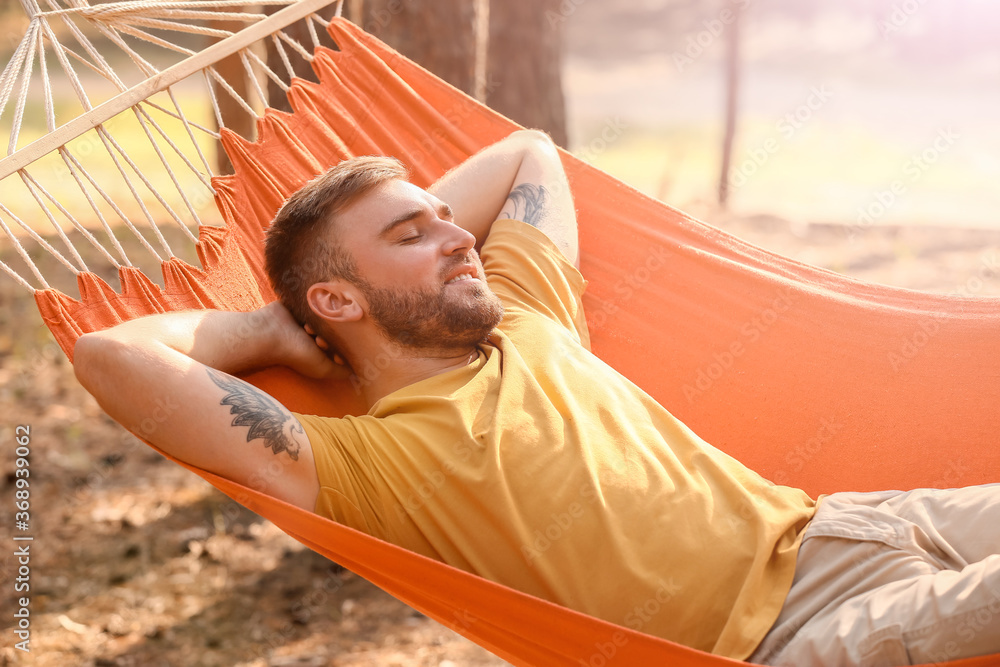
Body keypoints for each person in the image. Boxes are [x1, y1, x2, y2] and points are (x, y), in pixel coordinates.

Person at [73, 129, 1000, 666]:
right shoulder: (368, 465)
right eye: (413, 232)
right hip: (788, 642)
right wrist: (275, 328)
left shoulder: (527, 313)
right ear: (338, 300)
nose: (456, 235)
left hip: (844, 526)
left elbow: (528, 152)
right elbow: (110, 354)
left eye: (447, 218)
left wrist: (398, 242)